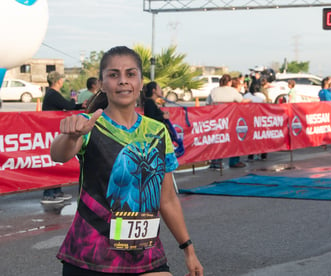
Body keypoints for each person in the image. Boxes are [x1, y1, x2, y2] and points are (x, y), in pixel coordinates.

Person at [51, 46, 203, 275]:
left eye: (130, 74)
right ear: (102, 84)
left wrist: (188, 249)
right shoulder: (88, 124)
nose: (123, 81)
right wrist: (70, 135)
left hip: (145, 256)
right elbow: (59, 154)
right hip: (89, 258)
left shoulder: (158, 131)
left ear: (141, 82)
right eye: (114, 75)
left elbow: (168, 199)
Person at [41, 71, 84, 204]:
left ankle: (56, 190)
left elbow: (66, 106)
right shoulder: (52, 94)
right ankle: (49, 193)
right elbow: (67, 105)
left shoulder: (51, 94)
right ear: (58, 81)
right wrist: (74, 101)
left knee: (56, 164)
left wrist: (79, 106)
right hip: (50, 132)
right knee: (52, 163)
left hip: (53, 132)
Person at [207, 74, 250, 169]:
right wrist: (250, 100)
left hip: (217, 119)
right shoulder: (232, 91)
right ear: (229, 82)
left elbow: (207, 103)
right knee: (234, 139)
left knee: (218, 139)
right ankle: (234, 161)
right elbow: (241, 101)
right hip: (231, 119)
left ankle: (215, 162)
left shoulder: (214, 90)